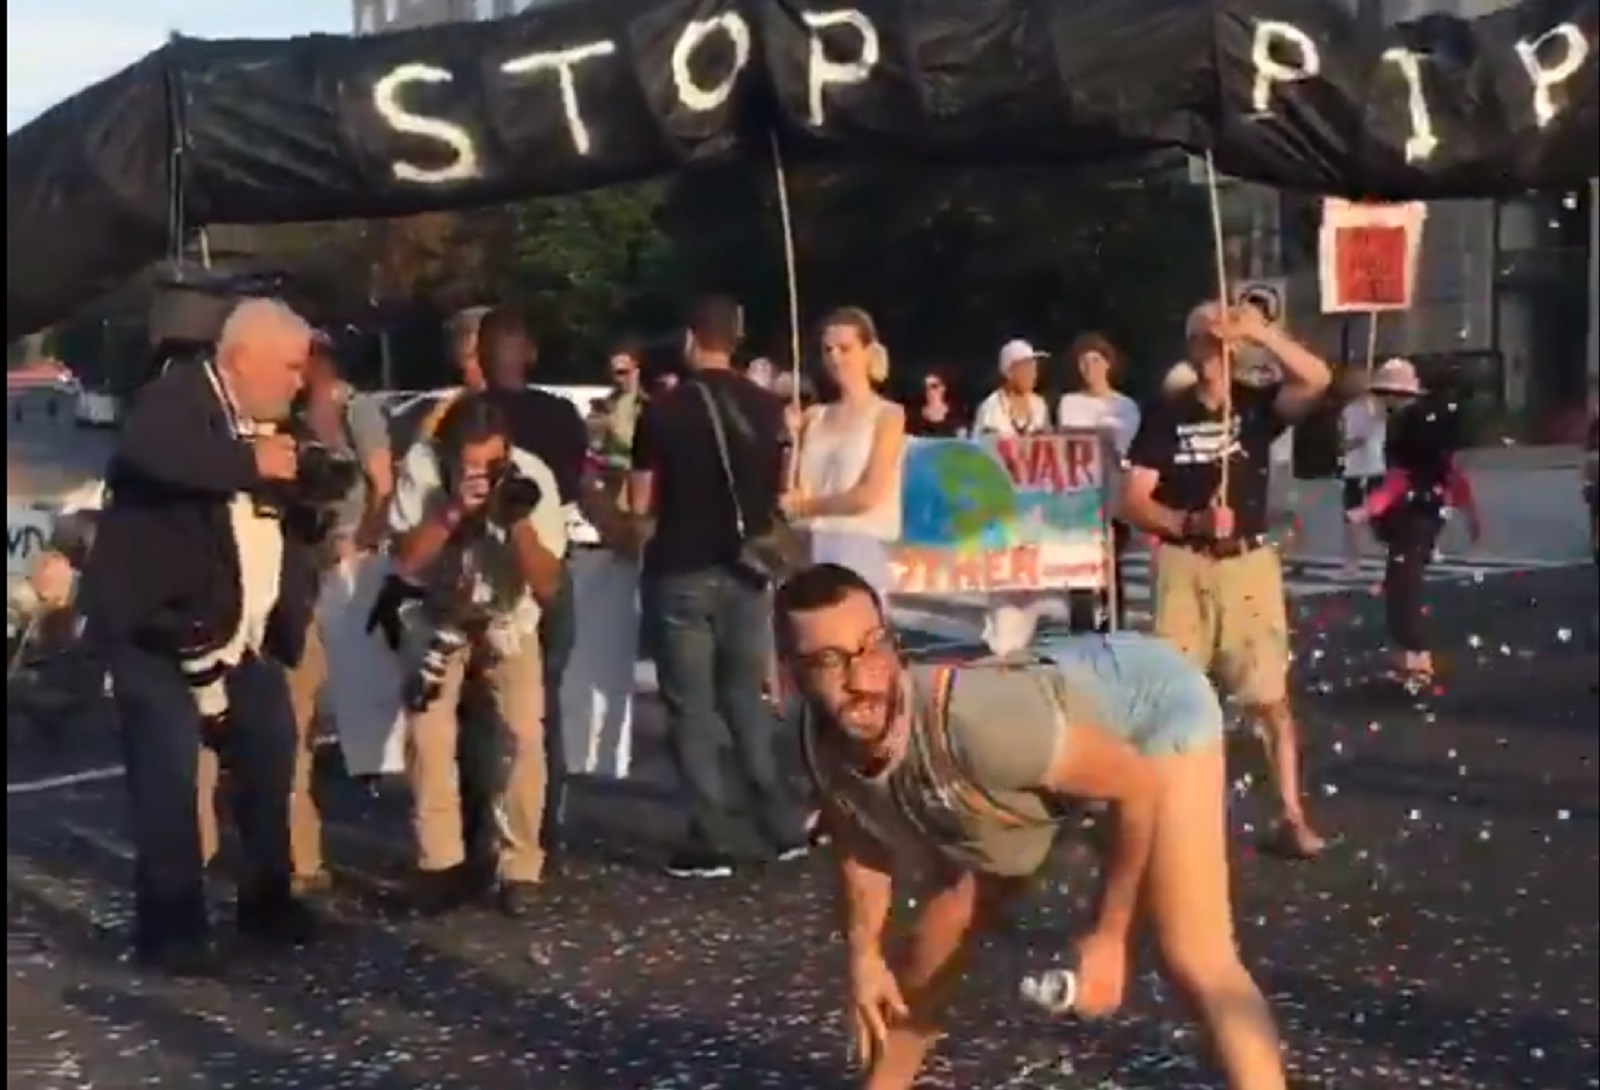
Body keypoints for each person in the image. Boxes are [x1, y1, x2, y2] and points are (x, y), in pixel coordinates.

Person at [775, 563, 1287, 1090]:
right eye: (829, 662)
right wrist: (863, 955)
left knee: (1196, 954)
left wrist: (1109, 935)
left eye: (872, 646)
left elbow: (1136, 787)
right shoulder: (819, 740)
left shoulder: (979, 725)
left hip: (1149, 706)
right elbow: (859, 845)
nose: (861, 680)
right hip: (1040, 748)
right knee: (934, 945)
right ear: (788, 674)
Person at [82, 299, 321, 975]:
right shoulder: (174, 399)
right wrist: (254, 463)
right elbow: (151, 454)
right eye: (292, 367)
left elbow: (270, 514)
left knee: (271, 751)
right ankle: (171, 927)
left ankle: (269, 901)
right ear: (242, 359)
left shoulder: (265, 419)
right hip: (152, 626)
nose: (300, 381)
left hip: (234, 630)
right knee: (169, 775)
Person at [1121, 301, 1332, 858]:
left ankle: (1290, 815)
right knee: (1173, 696)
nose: (1214, 342)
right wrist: (1189, 520)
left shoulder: (1259, 408)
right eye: (1203, 334)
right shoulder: (1166, 413)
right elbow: (1135, 501)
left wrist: (1261, 331)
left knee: (1267, 697)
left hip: (1247, 566)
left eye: (1221, 335)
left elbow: (1318, 378)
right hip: (1183, 564)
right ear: (1191, 346)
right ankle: (1165, 819)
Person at [196, 333, 394, 892]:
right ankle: (286, 859)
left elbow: (364, 488)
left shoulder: (348, 416)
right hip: (277, 593)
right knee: (280, 727)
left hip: (322, 586)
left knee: (321, 724)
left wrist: (357, 537)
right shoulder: (260, 432)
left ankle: (291, 857)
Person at [629, 295, 810, 878]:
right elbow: (782, 489)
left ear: (689, 338)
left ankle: (710, 835)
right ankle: (780, 825)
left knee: (691, 708)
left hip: (680, 567)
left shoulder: (663, 410)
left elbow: (640, 501)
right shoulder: (768, 407)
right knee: (745, 701)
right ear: (736, 338)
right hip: (747, 570)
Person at [386, 392, 568, 915]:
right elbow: (405, 561)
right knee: (429, 734)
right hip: (438, 610)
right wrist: (451, 513)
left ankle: (520, 866)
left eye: (491, 463)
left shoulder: (532, 476)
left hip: (507, 612)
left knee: (524, 734)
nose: (481, 475)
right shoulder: (422, 468)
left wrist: (516, 522)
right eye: (470, 465)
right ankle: (439, 862)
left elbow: (550, 584)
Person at [1347, 358, 1482, 688]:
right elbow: (1451, 473)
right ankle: (1410, 657)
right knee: (1402, 585)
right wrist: (1470, 515)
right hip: (1426, 513)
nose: (1385, 402)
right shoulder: (1423, 425)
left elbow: (1402, 478)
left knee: (1402, 588)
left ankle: (1416, 659)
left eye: (1388, 395)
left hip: (1414, 514)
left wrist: (1368, 509)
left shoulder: (1409, 428)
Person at [783, 307, 907, 599]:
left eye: (845, 349)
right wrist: (789, 440)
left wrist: (806, 507)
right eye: (828, 350)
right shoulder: (814, 416)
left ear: (868, 352)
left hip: (861, 547)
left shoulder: (887, 415)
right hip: (808, 547)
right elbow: (789, 492)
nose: (835, 358)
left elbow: (868, 495)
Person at [1056, 333, 1141, 631]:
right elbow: (1069, 441)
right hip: (1079, 498)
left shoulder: (1126, 406)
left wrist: (1102, 438)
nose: (1088, 367)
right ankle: (1080, 630)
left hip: (1113, 495)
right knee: (1079, 568)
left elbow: (1127, 447)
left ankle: (1112, 626)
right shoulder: (1070, 402)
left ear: (1108, 364)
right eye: (1083, 362)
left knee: (1111, 566)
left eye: (1095, 360)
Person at [1338, 379, 1387, 575]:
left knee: (1379, 515)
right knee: (1351, 517)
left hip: (1375, 468)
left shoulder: (1376, 409)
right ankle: (1352, 559)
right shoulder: (1348, 410)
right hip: (1354, 470)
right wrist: (1348, 445)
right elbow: (1343, 439)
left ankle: (1387, 553)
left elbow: (1381, 419)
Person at [972, 340, 1051, 435]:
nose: (1033, 374)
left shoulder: (1039, 406)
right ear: (1009, 373)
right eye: (1026, 368)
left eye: (1034, 368)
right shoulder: (991, 408)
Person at [907, 370, 965, 437]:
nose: (930, 390)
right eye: (926, 387)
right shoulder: (914, 414)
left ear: (943, 388)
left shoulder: (956, 414)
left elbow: (962, 440)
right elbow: (909, 439)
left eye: (934, 386)